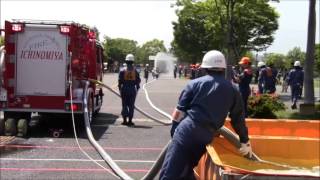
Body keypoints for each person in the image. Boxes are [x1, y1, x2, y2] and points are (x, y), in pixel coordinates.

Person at [160, 50, 252, 180]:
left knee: (170, 173)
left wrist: (174, 130)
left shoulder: (194, 84)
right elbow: (238, 119)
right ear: (223, 68)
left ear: (205, 68)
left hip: (187, 131)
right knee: (187, 169)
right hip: (207, 136)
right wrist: (244, 141)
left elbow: (179, 111)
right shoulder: (233, 89)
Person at [118, 54, 141, 126]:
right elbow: (138, 82)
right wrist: (136, 88)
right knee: (131, 105)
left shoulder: (122, 71)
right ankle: (130, 121)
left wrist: (120, 90)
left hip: (124, 89)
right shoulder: (136, 71)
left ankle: (124, 121)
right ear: (132, 61)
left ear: (126, 61)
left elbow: (119, 82)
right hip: (132, 90)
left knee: (124, 105)